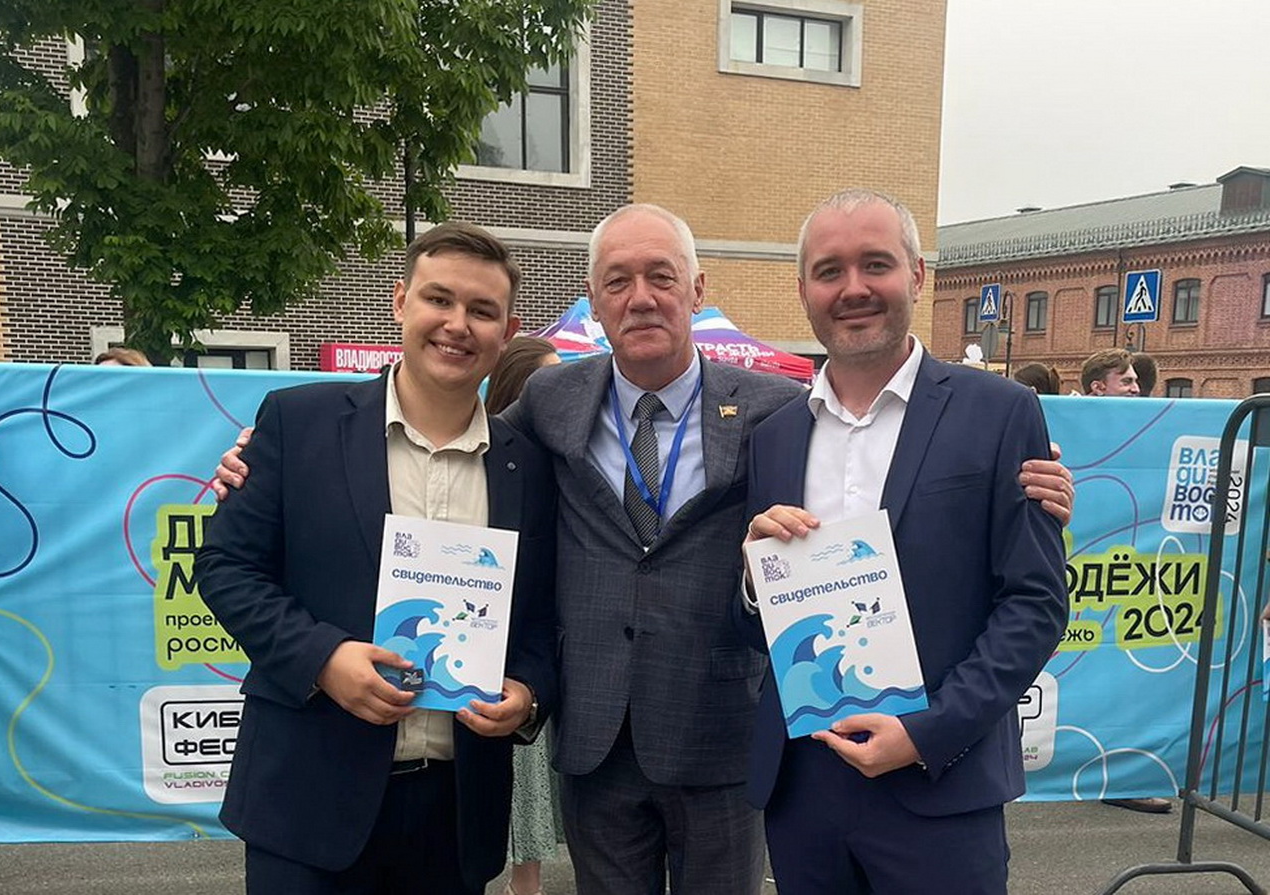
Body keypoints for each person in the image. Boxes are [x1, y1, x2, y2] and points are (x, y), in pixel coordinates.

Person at [213, 204, 1077, 895]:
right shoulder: (542, 410)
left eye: (662, 277)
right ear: (592, 300)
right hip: (595, 745)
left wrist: (1030, 482)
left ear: (696, 288)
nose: (642, 298)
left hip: (721, 740)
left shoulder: (779, 413)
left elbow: (891, 485)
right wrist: (249, 468)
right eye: (618, 281)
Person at [195, 222, 559, 895]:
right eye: (438, 299)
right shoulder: (299, 423)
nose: (457, 324)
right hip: (306, 803)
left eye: (482, 310)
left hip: (454, 815)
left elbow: (543, 618)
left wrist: (529, 693)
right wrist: (323, 659)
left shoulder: (530, 467)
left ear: (507, 332)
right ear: (399, 302)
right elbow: (224, 567)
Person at [741, 188, 1068, 895]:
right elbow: (750, 623)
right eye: (829, 271)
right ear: (803, 292)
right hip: (804, 788)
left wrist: (928, 731)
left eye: (876, 264)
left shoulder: (1001, 412)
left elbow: (1035, 603)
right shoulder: (773, 437)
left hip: (942, 783)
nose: (853, 288)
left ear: (918, 275)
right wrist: (751, 577)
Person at [483, 336, 564, 895]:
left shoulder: (558, 463)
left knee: (531, 800)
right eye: (546, 381)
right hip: (480, 657)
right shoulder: (484, 460)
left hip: (533, 669)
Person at [1083, 346, 1169, 813]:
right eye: (1128, 381)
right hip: (1082, 577)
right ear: (1099, 387)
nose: (1138, 389)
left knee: (1116, 679)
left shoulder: (1143, 432)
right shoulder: (1072, 426)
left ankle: (1116, 776)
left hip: (1119, 578)